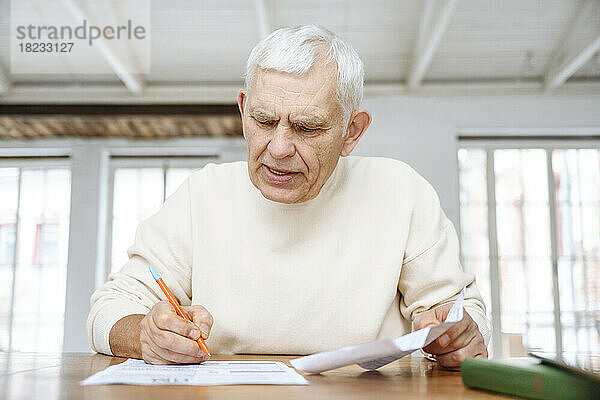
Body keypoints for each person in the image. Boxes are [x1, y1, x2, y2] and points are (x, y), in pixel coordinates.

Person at [88, 25, 490, 369]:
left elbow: (458, 312)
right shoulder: (201, 195)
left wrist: (457, 335)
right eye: (264, 121)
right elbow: (108, 309)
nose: (278, 148)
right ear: (244, 110)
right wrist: (144, 333)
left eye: (307, 128)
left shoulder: (402, 191)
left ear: (352, 131)